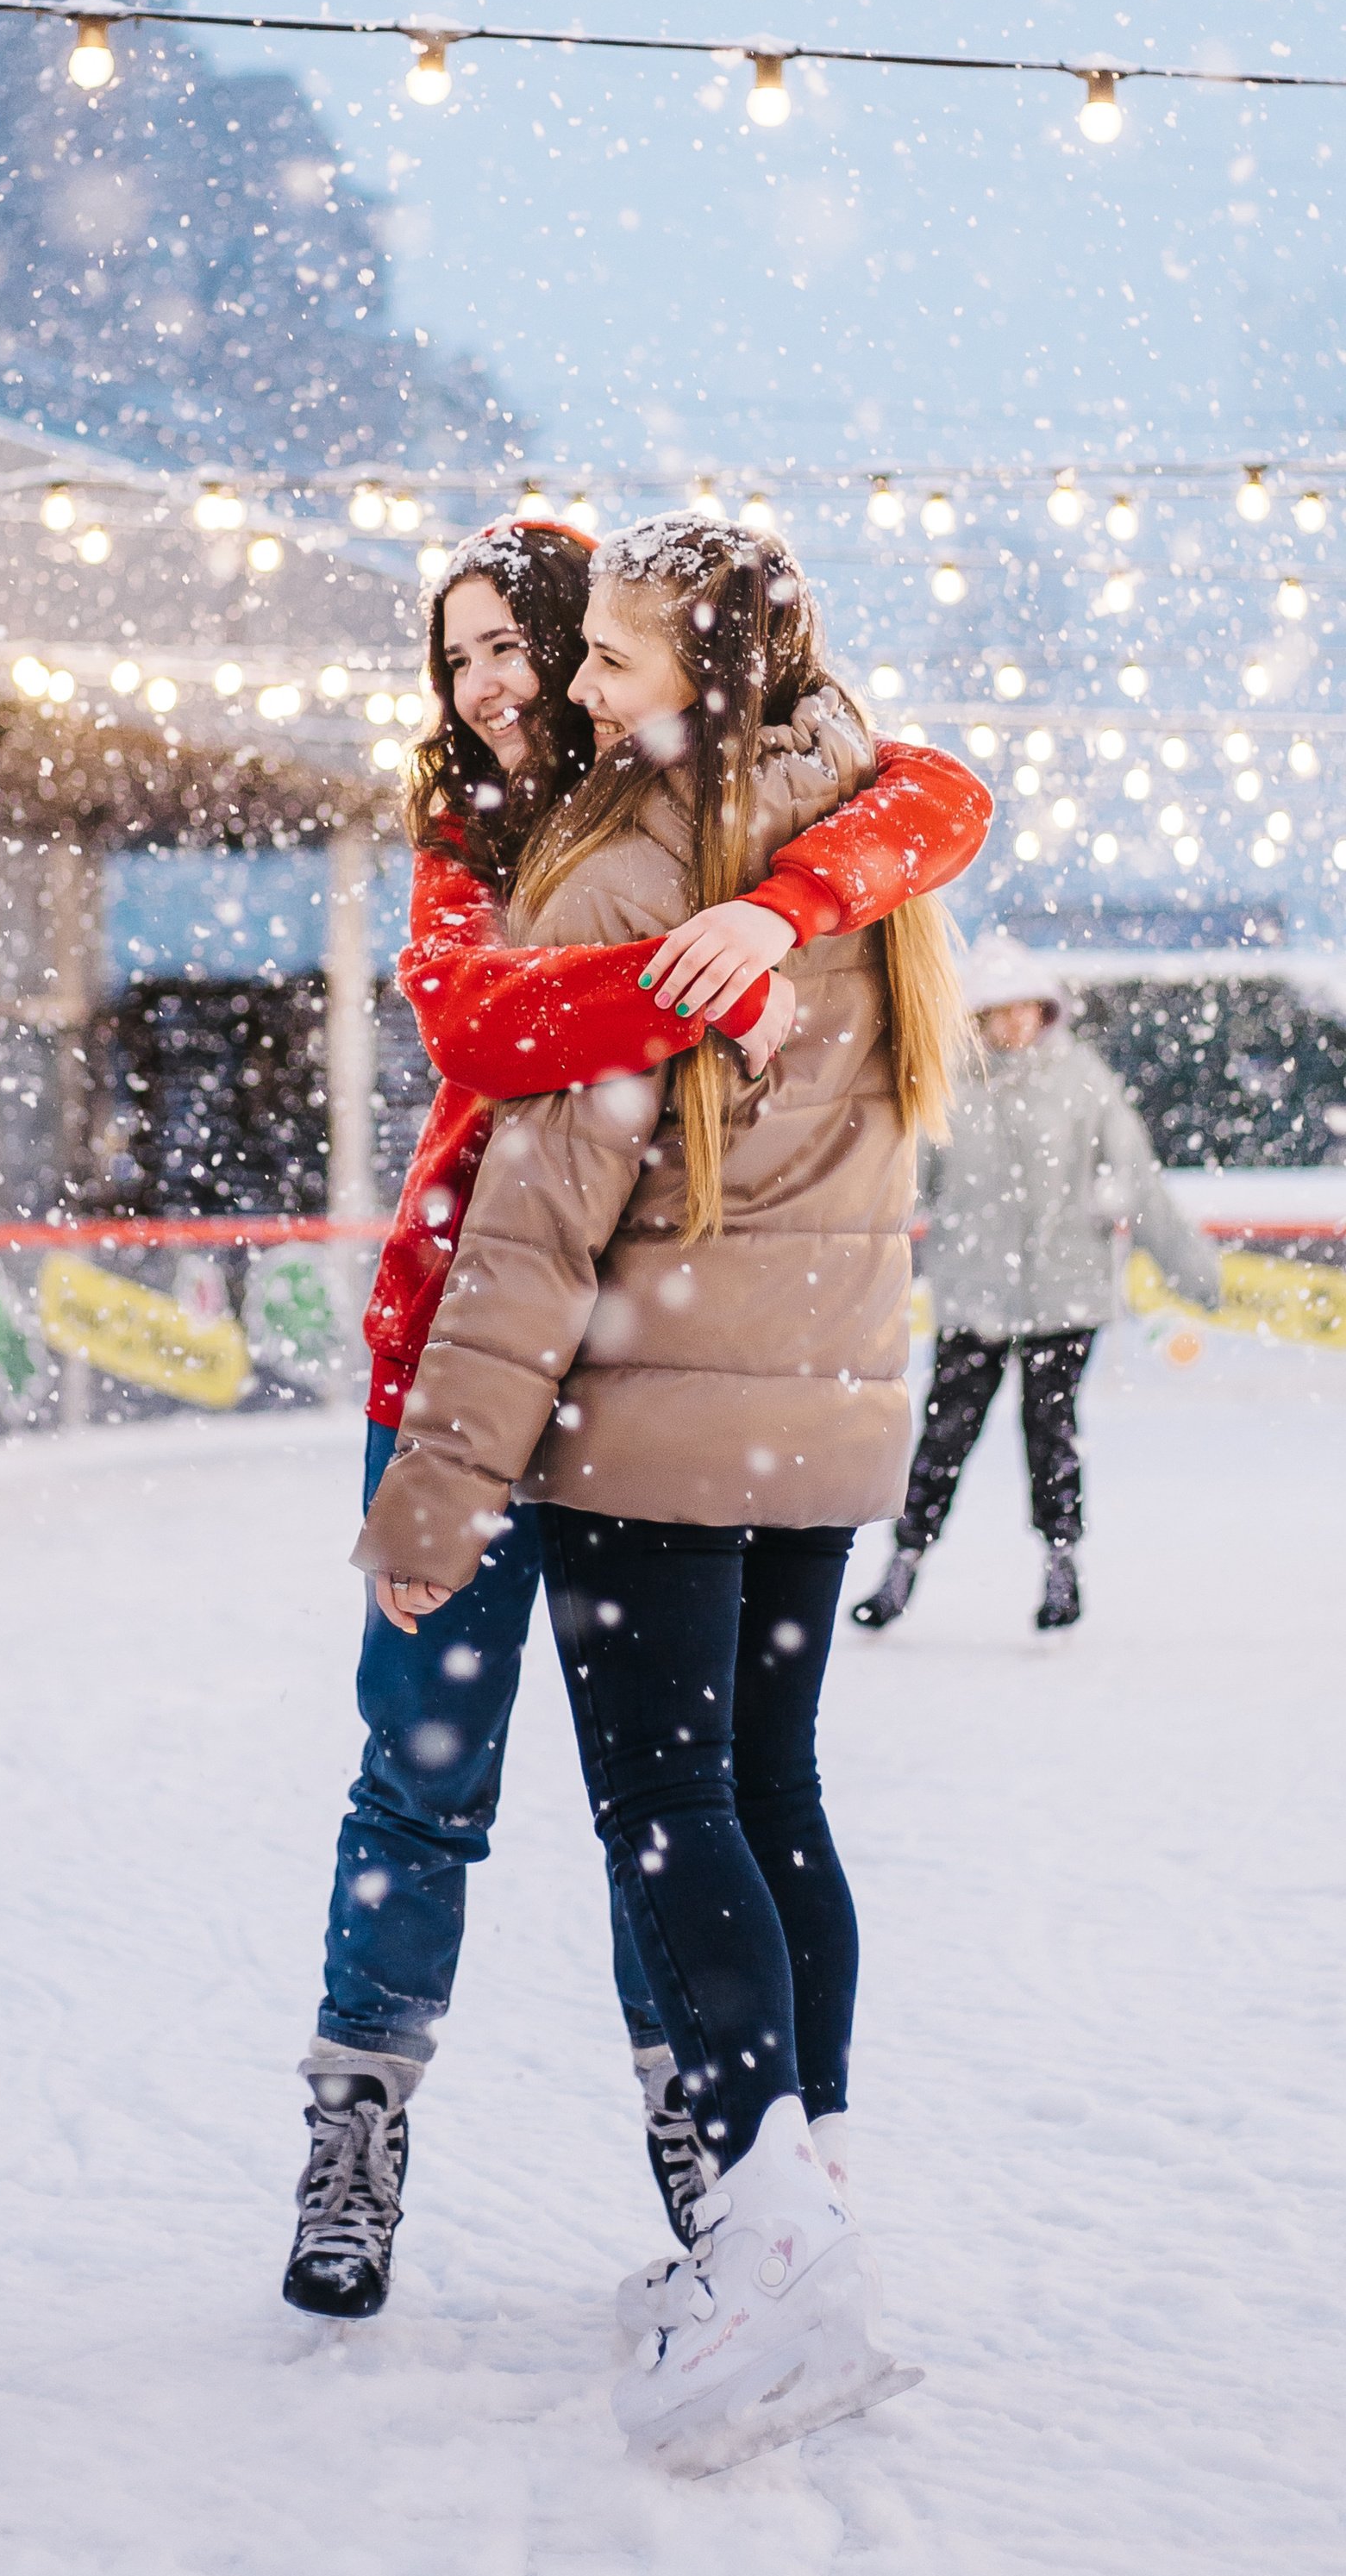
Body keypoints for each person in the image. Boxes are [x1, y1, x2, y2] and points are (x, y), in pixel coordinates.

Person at [283, 516, 992, 2322]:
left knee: (673, 1807)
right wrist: (700, 974)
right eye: (456, 661)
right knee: (432, 1792)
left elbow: (940, 789)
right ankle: (364, 2139)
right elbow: (466, 1019)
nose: (494, 683)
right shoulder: (508, 846)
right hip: (471, 1367)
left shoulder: (711, 832)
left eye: (518, 645)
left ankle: (723, 2181)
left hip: (612, 1383)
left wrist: (757, 914)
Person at [851, 933, 1221, 1635]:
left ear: (1046, 1011)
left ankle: (1061, 1569)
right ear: (978, 1017)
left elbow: (1137, 1179)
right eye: (1000, 1010)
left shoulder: (1084, 1081)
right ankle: (902, 1570)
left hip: (1065, 1296)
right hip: (976, 1296)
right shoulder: (948, 1087)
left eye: (1027, 1009)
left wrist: (1192, 1271)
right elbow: (900, 1188)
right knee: (944, 1435)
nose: (1015, 1023)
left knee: (1051, 1434)